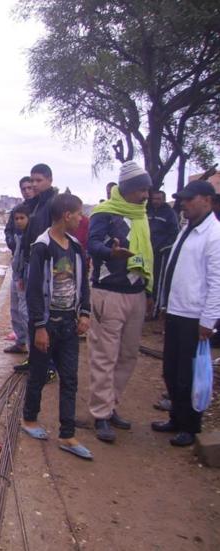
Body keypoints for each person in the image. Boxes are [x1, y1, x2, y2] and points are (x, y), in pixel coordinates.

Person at [21, 193, 92, 460]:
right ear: (66, 215)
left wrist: (84, 313)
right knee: (39, 373)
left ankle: (67, 434)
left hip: (69, 326)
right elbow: (34, 291)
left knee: (70, 379)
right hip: (47, 324)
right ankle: (29, 420)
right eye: (79, 213)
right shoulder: (42, 247)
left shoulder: (75, 247)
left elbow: (83, 283)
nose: (81, 217)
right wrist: (39, 326)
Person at [87, 161, 153, 443]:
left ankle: (111, 405)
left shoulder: (141, 215)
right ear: (127, 190)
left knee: (128, 355)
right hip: (109, 293)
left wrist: (148, 293)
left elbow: (148, 256)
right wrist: (110, 254)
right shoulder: (104, 213)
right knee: (105, 355)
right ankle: (100, 415)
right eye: (141, 190)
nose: (146, 196)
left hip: (136, 294)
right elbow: (92, 245)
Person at [151, 181, 220, 446]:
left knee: (188, 374)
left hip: (195, 315)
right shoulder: (187, 229)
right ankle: (176, 417)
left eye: (189, 199)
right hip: (177, 310)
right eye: (182, 199)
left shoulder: (213, 234)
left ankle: (190, 425)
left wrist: (208, 320)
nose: (184, 203)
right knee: (171, 369)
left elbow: (216, 282)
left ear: (207, 200)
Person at [15, 163, 59, 374]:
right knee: (32, 314)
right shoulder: (35, 204)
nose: (34, 184)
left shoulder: (53, 205)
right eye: (32, 180)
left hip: (45, 267)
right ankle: (35, 359)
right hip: (31, 265)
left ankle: (48, 366)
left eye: (38, 180)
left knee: (44, 315)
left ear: (49, 180)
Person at [147, 189, 179, 317]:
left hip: (161, 254)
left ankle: (155, 309)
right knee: (145, 279)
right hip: (147, 252)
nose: (155, 201)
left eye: (158, 199)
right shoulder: (147, 211)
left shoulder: (169, 214)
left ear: (163, 199)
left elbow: (174, 233)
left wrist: (164, 248)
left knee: (157, 282)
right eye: (154, 199)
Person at [4, 203, 31, 354]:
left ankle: (33, 349)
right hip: (17, 274)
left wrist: (22, 276)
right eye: (16, 219)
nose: (19, 221)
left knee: (24, 311)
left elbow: (27, 259)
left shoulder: (30, 236)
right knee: (15, 309)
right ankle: (21, 342)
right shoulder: (18, 235)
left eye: (22, 218)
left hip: (23, 277)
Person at [4, 176, 35, 253]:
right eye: (23, 189)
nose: (27, 191)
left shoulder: (40, 208)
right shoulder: (16, 210)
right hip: (19, 254)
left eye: (29, 188)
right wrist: (12, 244)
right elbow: (8, 230)